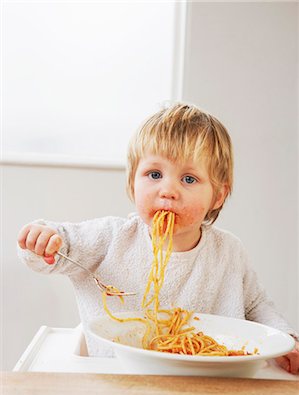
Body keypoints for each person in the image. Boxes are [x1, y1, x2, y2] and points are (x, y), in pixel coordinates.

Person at [17, 103, 299, 373]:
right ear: (132, 183)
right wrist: (42, 240)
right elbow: (60, 247)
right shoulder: (110, 238)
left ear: (218, 195)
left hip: (208, 382)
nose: (168, 190)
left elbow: (255, 306)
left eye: (188, 179)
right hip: (116, 376)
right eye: (154, 174)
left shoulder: (228, 251)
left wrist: (285, 338)